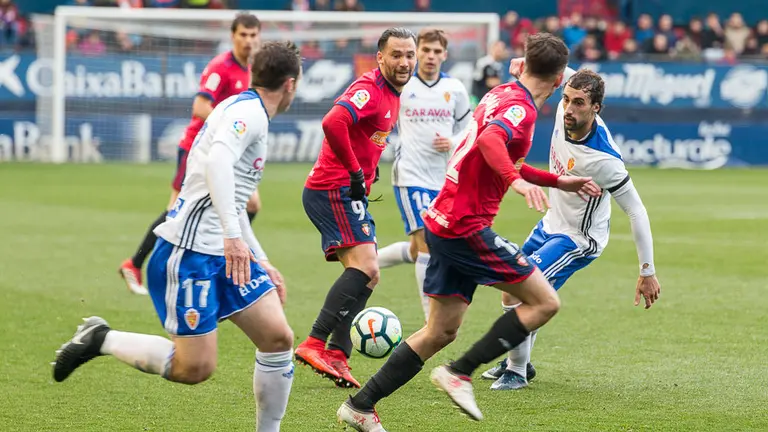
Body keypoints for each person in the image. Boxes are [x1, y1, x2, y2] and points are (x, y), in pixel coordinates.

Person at [337, 33, 602, 430]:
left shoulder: (501, 93)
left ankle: (360, 406)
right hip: (466, 225)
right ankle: (459, 372)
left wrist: (557, 181)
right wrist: (515, 181)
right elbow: (493, 141)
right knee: (544, 302)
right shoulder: (520, 108)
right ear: (559, 78)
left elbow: (500, 150)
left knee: (439, 331)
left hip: (443, 220)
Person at [53, 41, 303, 432]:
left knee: (277, 337)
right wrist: (233, 238)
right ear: (291, 84)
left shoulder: (245, 108)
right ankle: (100, 338)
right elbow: (217, 162)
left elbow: (234, 196)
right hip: (189, 253)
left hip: (224, 252)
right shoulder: (249, 114)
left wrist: (260, 257)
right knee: (194, 368)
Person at [481, 65, 661, 390]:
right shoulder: (566, 107)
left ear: (596, 108)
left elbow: (636, 210)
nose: (568, 108)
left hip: (577, 238)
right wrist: (527, 62)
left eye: (579, 103)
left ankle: (516, 371)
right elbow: (556, 64)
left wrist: (647, 271)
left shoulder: (604, 160)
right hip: (550, 223)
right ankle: (518, 361)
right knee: (518, 289)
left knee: (519, 288)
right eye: (566, 99)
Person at [294, 28, 417, 389]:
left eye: (409, 54)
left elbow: (365, 137)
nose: (404, 62)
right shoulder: (371, 88)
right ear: (380, 57)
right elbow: (333, 122)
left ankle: (338, 353)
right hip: (333, 188)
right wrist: (354, 171)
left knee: (369, 274)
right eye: (396, 54)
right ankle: (315, 342)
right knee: (366, 266)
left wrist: (367, 168)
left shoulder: (393, 93)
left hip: (346, 190)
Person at [119, 12, 263, 295]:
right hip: (198, 148)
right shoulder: (221, 67)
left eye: (253, 35)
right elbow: (200, 107)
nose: (248, 41)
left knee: (251, 204)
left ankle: (224, 254)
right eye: (243, 35)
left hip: (227, 151)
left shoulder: (253, 69)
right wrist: (230, 125)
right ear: (233, 36)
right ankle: (135, 263)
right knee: (176, 211)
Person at [377, 28, 471, 321]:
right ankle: (431, 321)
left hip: (443, 179)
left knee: (421, 249)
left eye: (436, 51)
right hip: (410, 175)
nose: (430, 56)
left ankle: (368, 263)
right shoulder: (403, 86)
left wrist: (452, 142)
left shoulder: (455, 89)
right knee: (427, 245)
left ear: (445, 55)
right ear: (417, 54)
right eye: (425, 50)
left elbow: (469, 129)